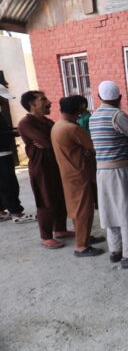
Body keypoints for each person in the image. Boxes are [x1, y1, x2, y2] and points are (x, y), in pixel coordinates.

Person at [90, 81, 128, 268]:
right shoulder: (117, 116)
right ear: (119, 98)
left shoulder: (93, 117)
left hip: (101, 170)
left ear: (100, 97)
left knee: (110, 212)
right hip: (120, 170)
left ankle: (115, 251)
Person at [51, 95, 104, 257]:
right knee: (83, 210)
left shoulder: (58, 125)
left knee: (76, 208)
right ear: (78, 110)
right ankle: (81, 246)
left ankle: (84, 238)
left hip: (68, 173)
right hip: (78, 174)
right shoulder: (72, 128)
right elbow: (93, 146)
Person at [17, 91, 72, 248]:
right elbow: (47, 141)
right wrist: (50, 142)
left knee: (60, 197)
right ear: (32, 104)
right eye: (43, 99)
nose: (49, 102)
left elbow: (59, 139)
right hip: (41, 167)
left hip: (56, 164)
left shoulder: (47, 122)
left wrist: (52, 142)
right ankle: (46, 236)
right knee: (45, 199)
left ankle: (60, 229)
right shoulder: (26, 123)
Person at [0, 99, 36, 224]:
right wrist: (15, 132)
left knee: (4, 185)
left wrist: (13, 131)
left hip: (4, 153)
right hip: (2, 155)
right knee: (9, 185)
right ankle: (16, 213)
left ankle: (2, 212)